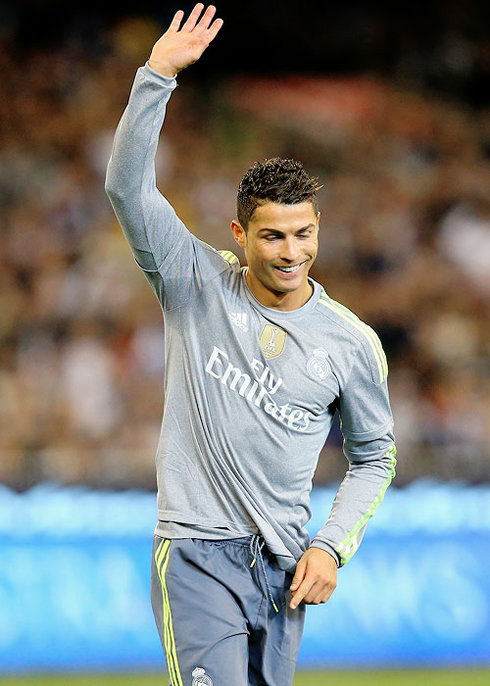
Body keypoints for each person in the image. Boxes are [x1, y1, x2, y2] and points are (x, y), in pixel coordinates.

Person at [105, 4, 396, 685]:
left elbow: (375, 454)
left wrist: (331, 546)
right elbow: (126, 187)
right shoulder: (192, 279)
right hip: (197, 554)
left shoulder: (351, 343)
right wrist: (156, 77)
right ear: (240, 236)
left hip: (285, 564)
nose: (291, 251)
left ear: (318, 227)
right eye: (271, 236)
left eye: (302, 234)